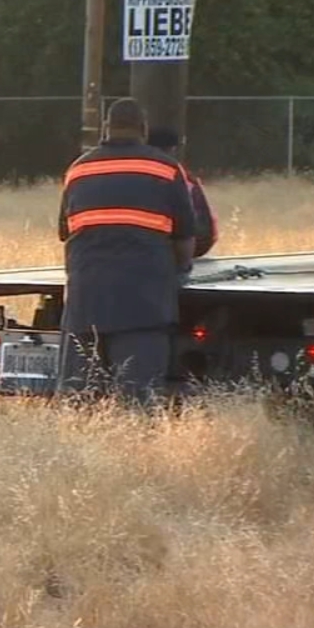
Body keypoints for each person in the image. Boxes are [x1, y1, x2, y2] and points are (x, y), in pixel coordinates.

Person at [56, 98, 197, 405]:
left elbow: (65, 232)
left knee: (79, 401)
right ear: (143, 129)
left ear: (105, 128)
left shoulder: (78, 171)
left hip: (85, 303)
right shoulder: (165, 168)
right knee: (138, 401)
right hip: (143, 305)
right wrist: (180, 271)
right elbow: (186, 238)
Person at [147, 126, 218, 257]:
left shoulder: (166, 173)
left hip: (191, 244)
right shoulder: (183, 174)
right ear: (173, 149)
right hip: (201, 241)